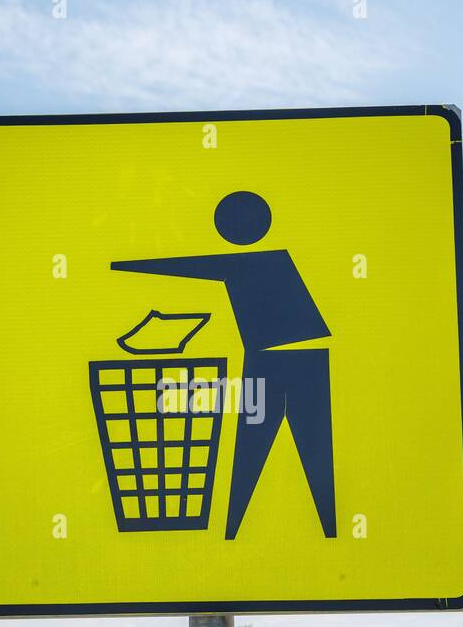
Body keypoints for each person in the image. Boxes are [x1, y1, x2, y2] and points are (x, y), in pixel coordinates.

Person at [111, 191, 335, 539]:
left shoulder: (262, 262)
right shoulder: (267, 263)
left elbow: (199, 266)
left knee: (282, 448)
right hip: (282, 358)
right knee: (257, 450)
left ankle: (310, 530)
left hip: (286, 360)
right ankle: (233, 532)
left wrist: (122, 264)